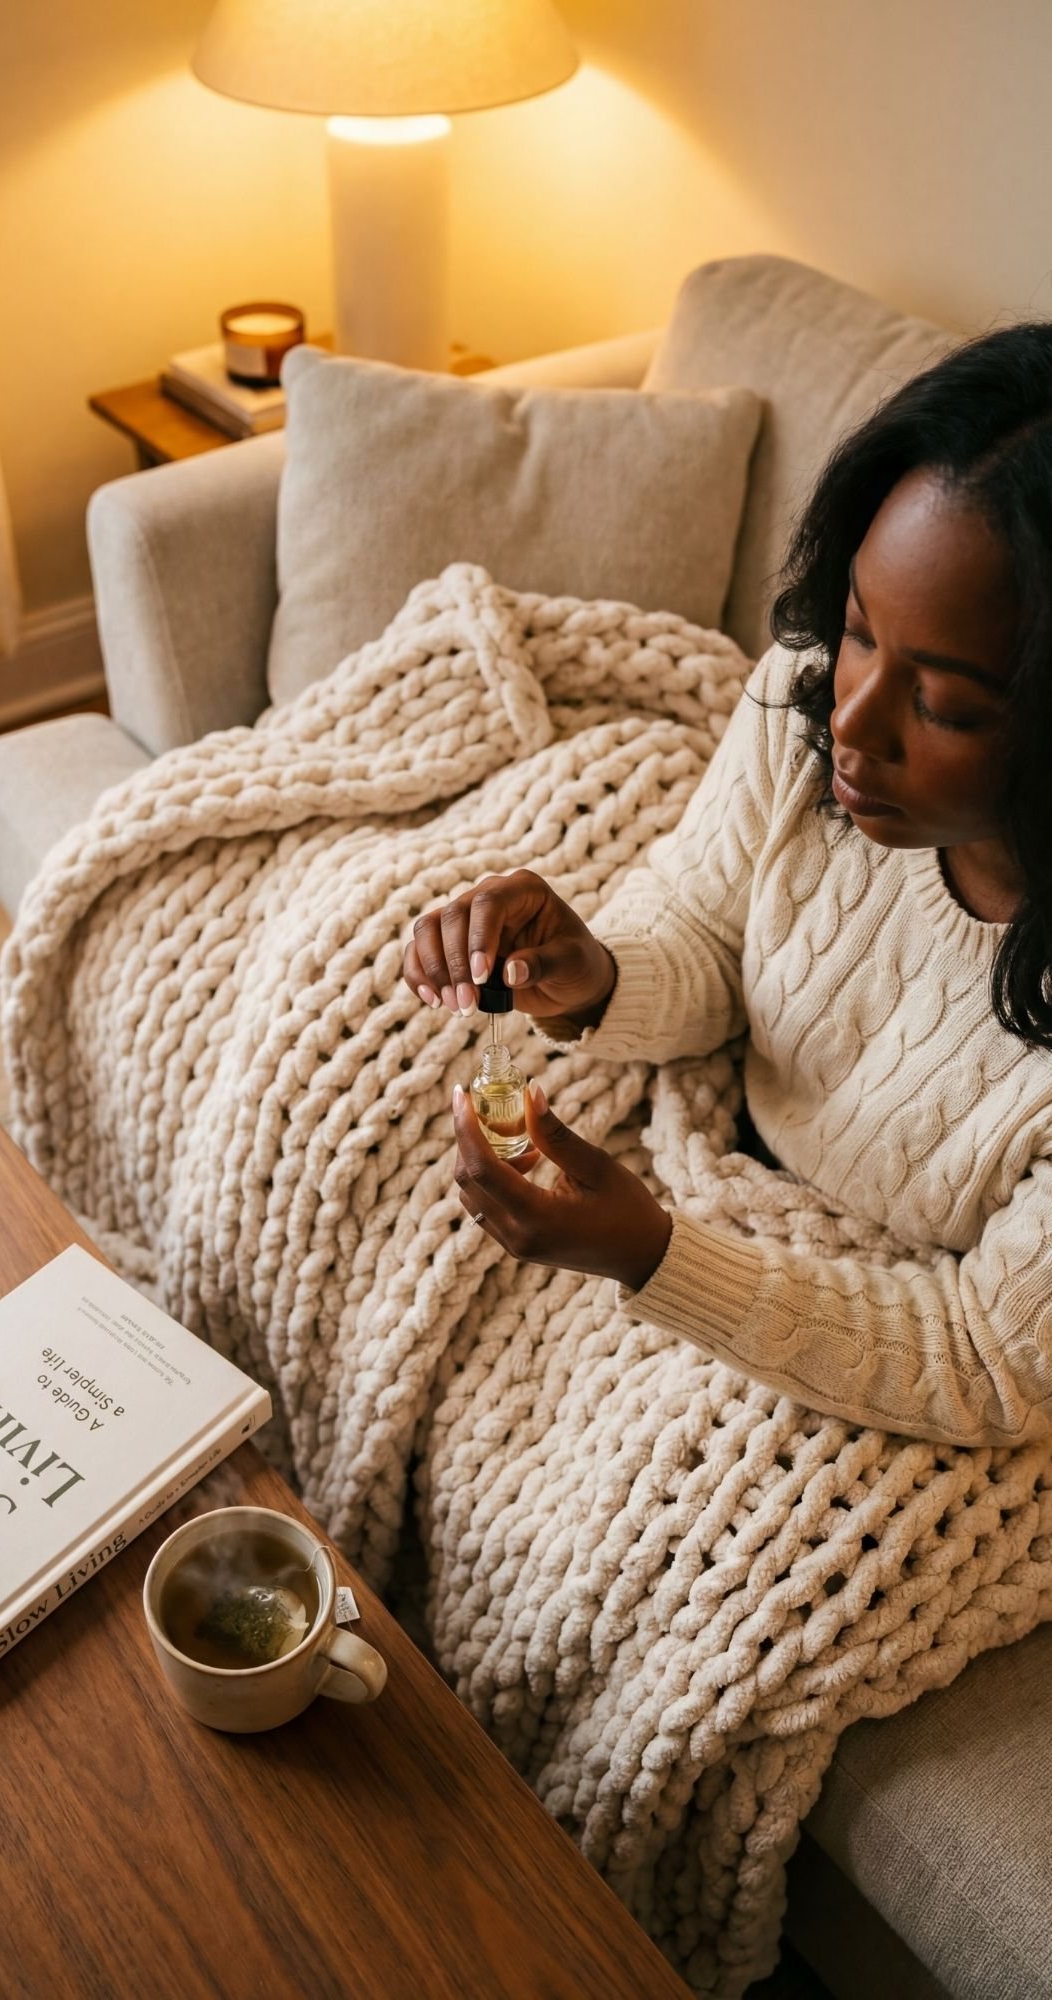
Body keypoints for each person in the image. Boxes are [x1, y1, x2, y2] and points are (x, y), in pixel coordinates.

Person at [403, 322, 1052, 1447]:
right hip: (715, 1176)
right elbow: (705, 925)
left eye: (941, 704)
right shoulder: (804, 702)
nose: (848, 721)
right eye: (858, 631)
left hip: (908, 1342)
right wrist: (591, 974)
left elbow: (989, 1355)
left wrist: (652, 1253)